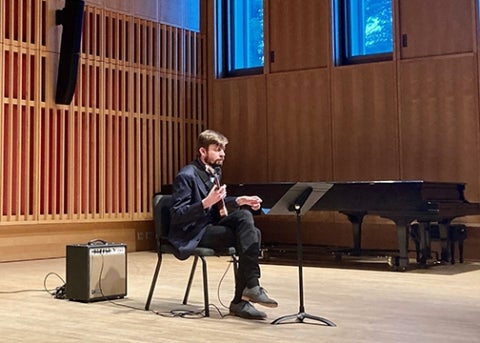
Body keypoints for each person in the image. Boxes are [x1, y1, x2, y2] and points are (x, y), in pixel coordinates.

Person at [169, 129, 277, 320]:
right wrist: (205, 203)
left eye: (223, 150)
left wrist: (240, 200)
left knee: (245, 217)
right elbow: (177, 215)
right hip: (194, 231)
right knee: (254, 234)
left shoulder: (215, 171)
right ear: (203, 152)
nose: (223, 154)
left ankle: (250, 288)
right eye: (217, 149)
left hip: (210, 223)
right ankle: (243, 298)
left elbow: (217, 206)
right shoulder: (186, 175)